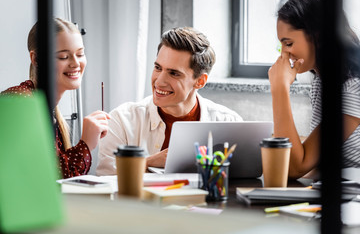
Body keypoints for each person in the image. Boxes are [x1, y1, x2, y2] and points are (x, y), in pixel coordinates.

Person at [97, 27, 243, 175]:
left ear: (200, 81)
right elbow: (106, 180)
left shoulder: (230, 122)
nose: (159, 82)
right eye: (158, 68)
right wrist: (147, 162)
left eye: (174, 73)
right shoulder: (121, 120)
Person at [1, 18, 110, 179]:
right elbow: (48, 180)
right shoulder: (20, 101)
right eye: (64, 57)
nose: (75, 64)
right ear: (36, 59)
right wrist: (85, 144)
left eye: (80, 54)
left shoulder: (50, 111)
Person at [268, 0, 360, 179]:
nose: (284, 54)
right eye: (282, 45)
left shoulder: (352, 87)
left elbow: (294, 167)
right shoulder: (322, 81)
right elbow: (313, 159)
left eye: (289, 43)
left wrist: (280, 88)